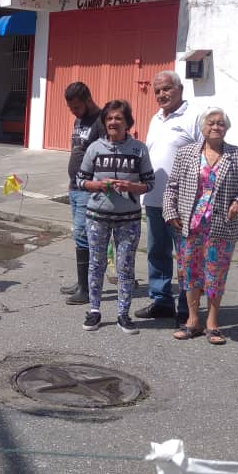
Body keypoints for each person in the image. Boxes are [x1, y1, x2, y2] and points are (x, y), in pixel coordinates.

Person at [163, 108, 238, 345]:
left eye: (221, 124)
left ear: (226, 128)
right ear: (202, 127)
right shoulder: (186, 153)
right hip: (190, 224)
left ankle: (213, 323)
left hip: (221, 226)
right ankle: (193, 321)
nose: (216, 127)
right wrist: (170, 211)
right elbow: (172, 186)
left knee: (215, 274)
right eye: (211, 123)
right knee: (189, 273)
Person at [76, 100, 154, 334]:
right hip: (97, 216)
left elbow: (149, 183)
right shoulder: (94, 148)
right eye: (109, 118)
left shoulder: (139, 149)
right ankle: (94, 310)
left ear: (127, 122)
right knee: (96, 264)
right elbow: (80, 180)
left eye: (118, 118)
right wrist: (98, 185)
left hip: (128, 218)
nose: (113, 122)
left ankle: (123, 314)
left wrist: (131, 187)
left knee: (125, 266)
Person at [136, 71, 202, 326]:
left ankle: (187, 308)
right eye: (157, 91)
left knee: (186, 256)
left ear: (180, 89)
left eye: (167, 89)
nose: (162, 95)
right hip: (154, 199)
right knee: (157, 253)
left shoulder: (194, 116)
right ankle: (162, 301)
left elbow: (205, 156)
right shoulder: (156, 118)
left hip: (184, 203)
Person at [61, 82, 104, 305]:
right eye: (71, 108)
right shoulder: (80, 120)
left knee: (83, 234)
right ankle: (81, 283)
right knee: (79, 235)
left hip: (89, 188)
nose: (74, 112)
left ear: (88, 99)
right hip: (75, 187)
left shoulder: (100, 122)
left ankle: (86, 290)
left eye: (76, 107)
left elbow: (106, 155)